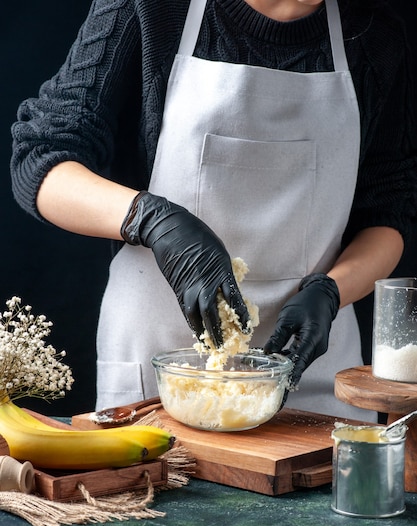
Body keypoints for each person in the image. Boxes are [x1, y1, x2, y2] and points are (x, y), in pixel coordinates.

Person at [10, 0, 417, 419]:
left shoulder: (374, 32)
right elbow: (41, 160)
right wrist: (153, 220)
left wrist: (332, 293)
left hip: (311, 371)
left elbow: (388, 212)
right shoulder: (152, 9)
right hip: (161, 374)